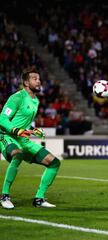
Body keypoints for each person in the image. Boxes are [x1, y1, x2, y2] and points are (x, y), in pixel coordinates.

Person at [0, 67, 61, 209]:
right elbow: (2, 119)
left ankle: (39, 198)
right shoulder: (17, 97)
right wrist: (16, 130)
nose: (39, 81)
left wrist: (33, 130)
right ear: (26, 83)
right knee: (18, 153)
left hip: (23, 139)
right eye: (35, 79)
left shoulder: (35, 101)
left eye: (39, 79)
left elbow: (24, 123)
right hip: (6, 135)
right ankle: (4, 196)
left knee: (54, 163)